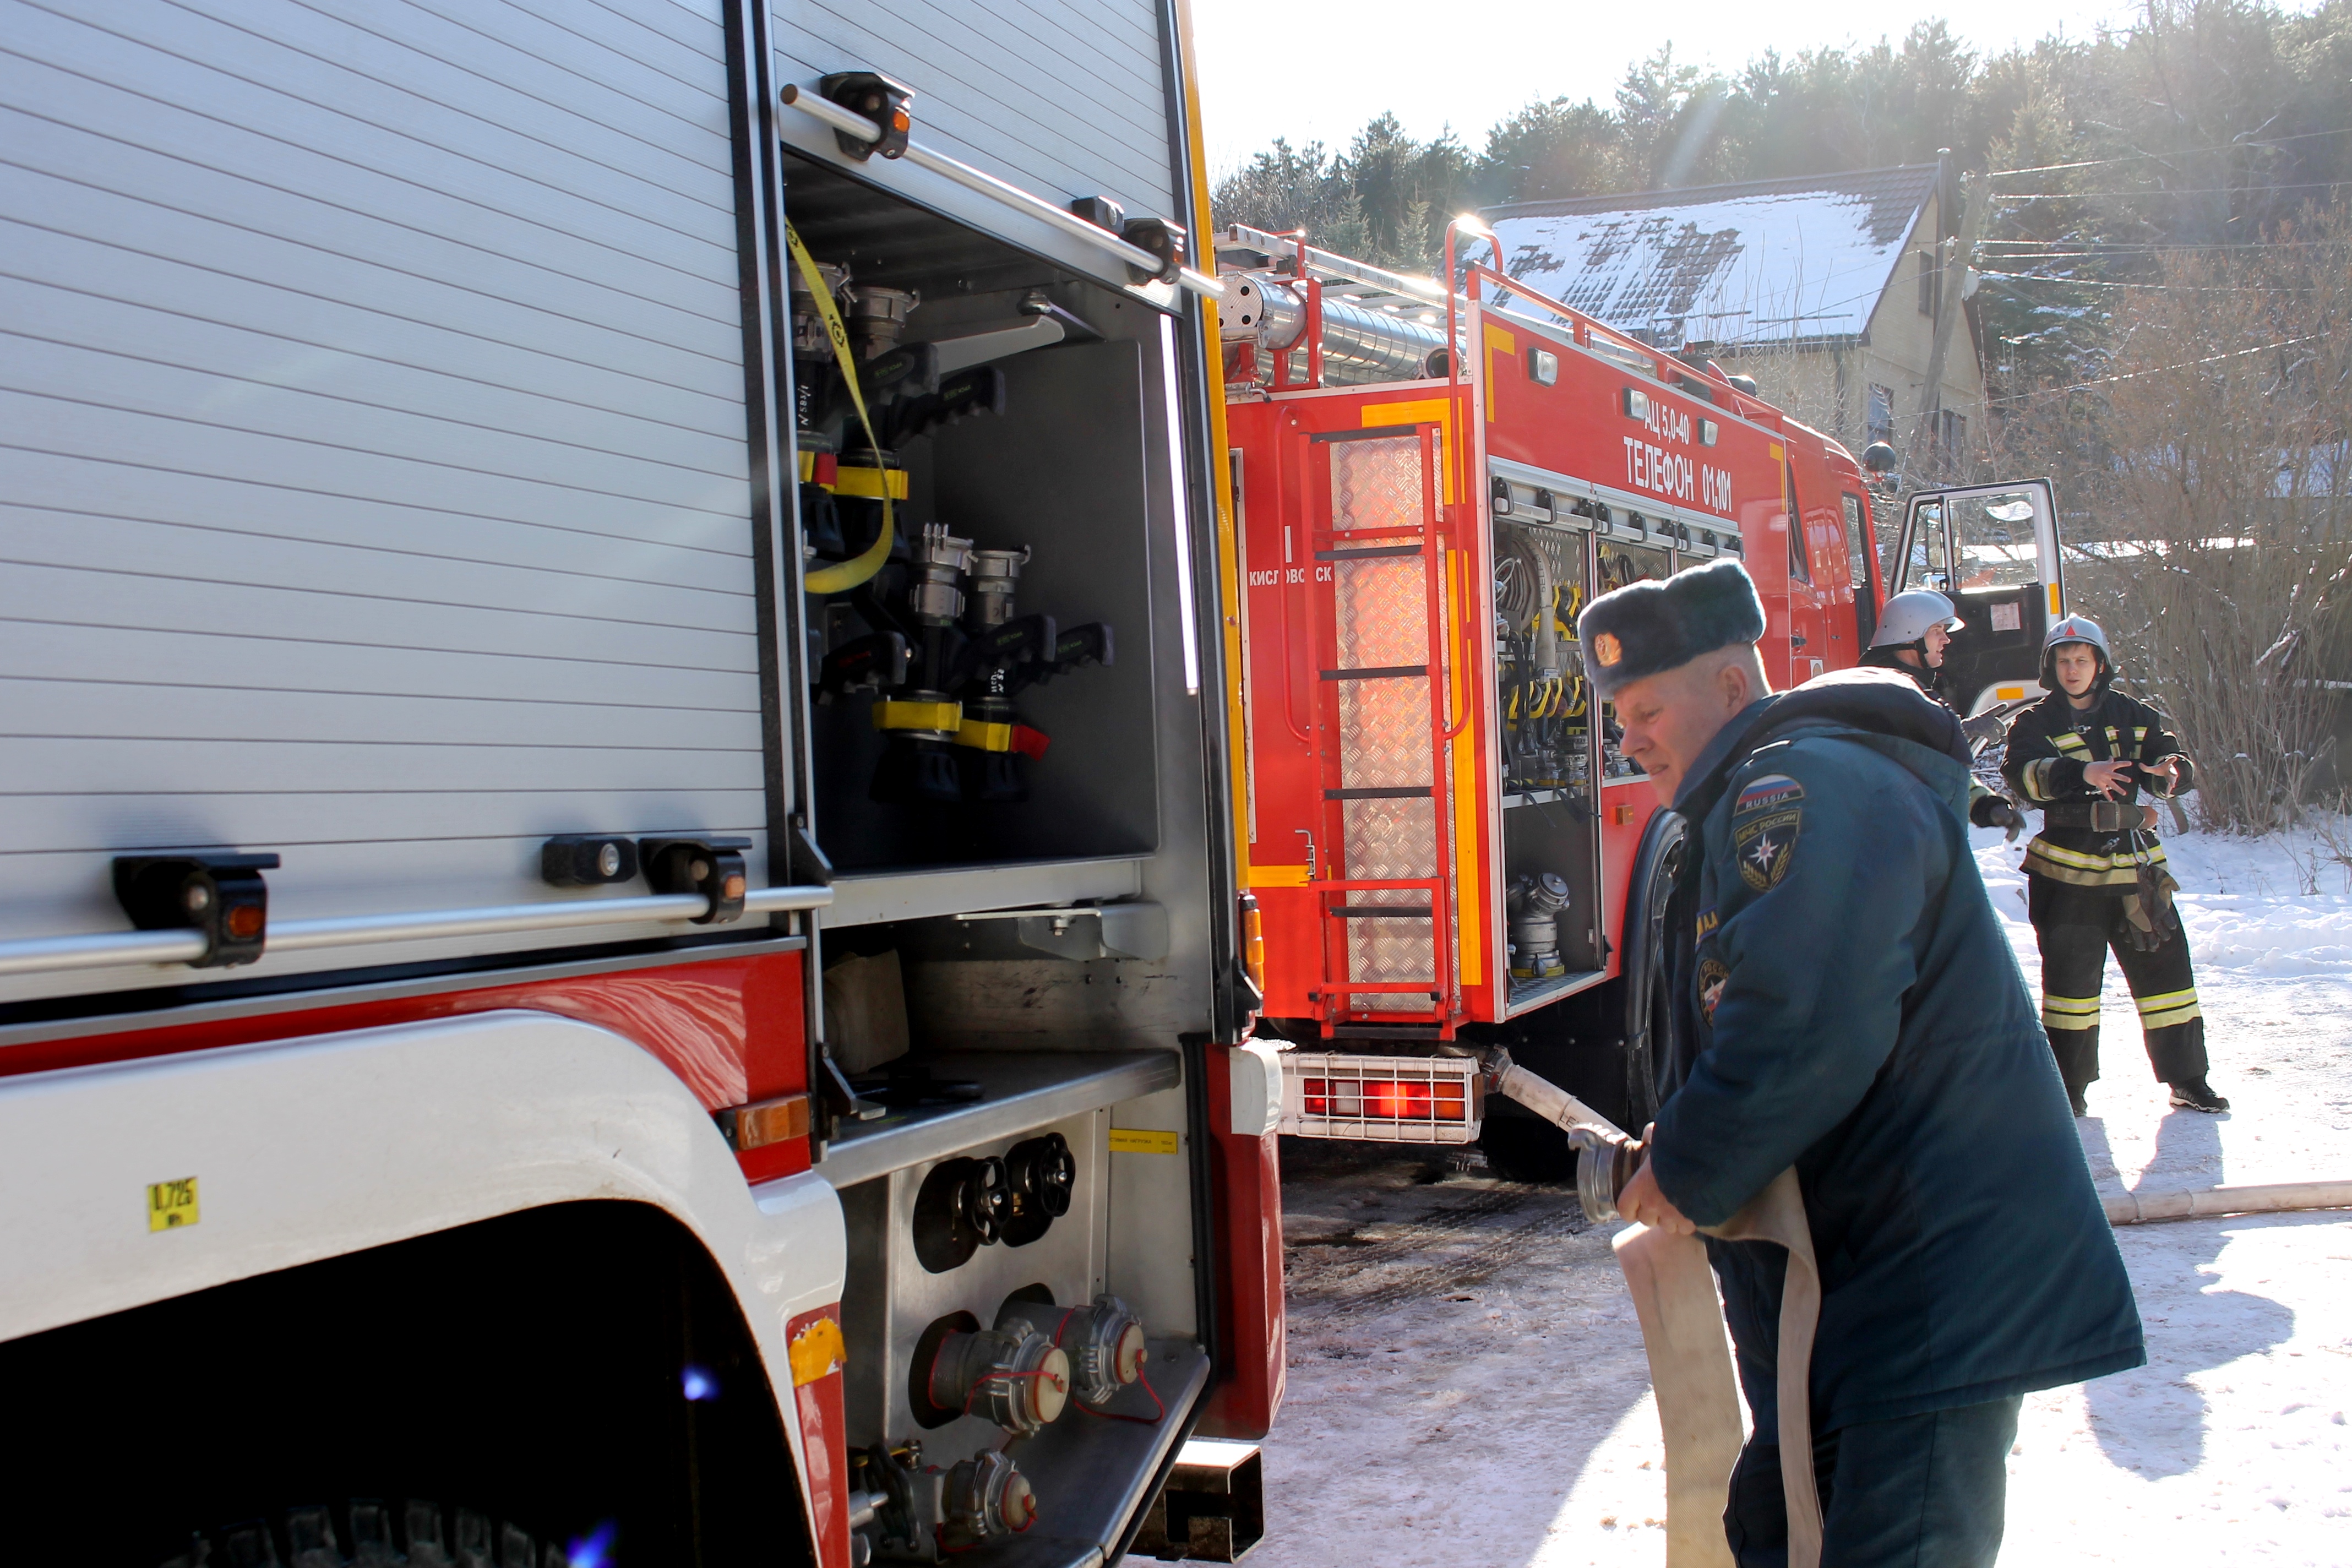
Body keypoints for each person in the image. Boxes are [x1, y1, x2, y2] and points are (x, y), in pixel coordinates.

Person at [1580, 560, 2142, 1568]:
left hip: (1918, 1301)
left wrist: (1693, 1165)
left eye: (1647, 706)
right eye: (1618, 715)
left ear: (1732, 689)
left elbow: (1802, 1019)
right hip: (1859, 1298)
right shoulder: (1744, 803)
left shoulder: (1803, 787)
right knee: (1773, 1529)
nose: (1629, 737)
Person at [2001, 616, 2225, 1116]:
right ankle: (2070, 1089)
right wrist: (2084, 771)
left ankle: (2189, 1080)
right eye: (2063, 660)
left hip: (2137, 871)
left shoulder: (2133, 714)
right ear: (2050, 667)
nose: (2072, 669)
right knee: (2071, 989)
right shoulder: (2034, 723)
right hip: (2066, 875)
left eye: (2082, 660)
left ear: (2100, 664)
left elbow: (2171, 761)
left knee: (2169, 978)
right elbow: (2022, 777)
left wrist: (2171, 772)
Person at [1861, 587, 2026, 839]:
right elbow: (1911, 758)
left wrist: (1986, 806)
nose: (1946, 640)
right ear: (1909, 635)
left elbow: (1935, 764)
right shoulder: (1880, 693)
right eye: (1937, 631)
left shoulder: (1913, 692)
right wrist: (1952, 730)